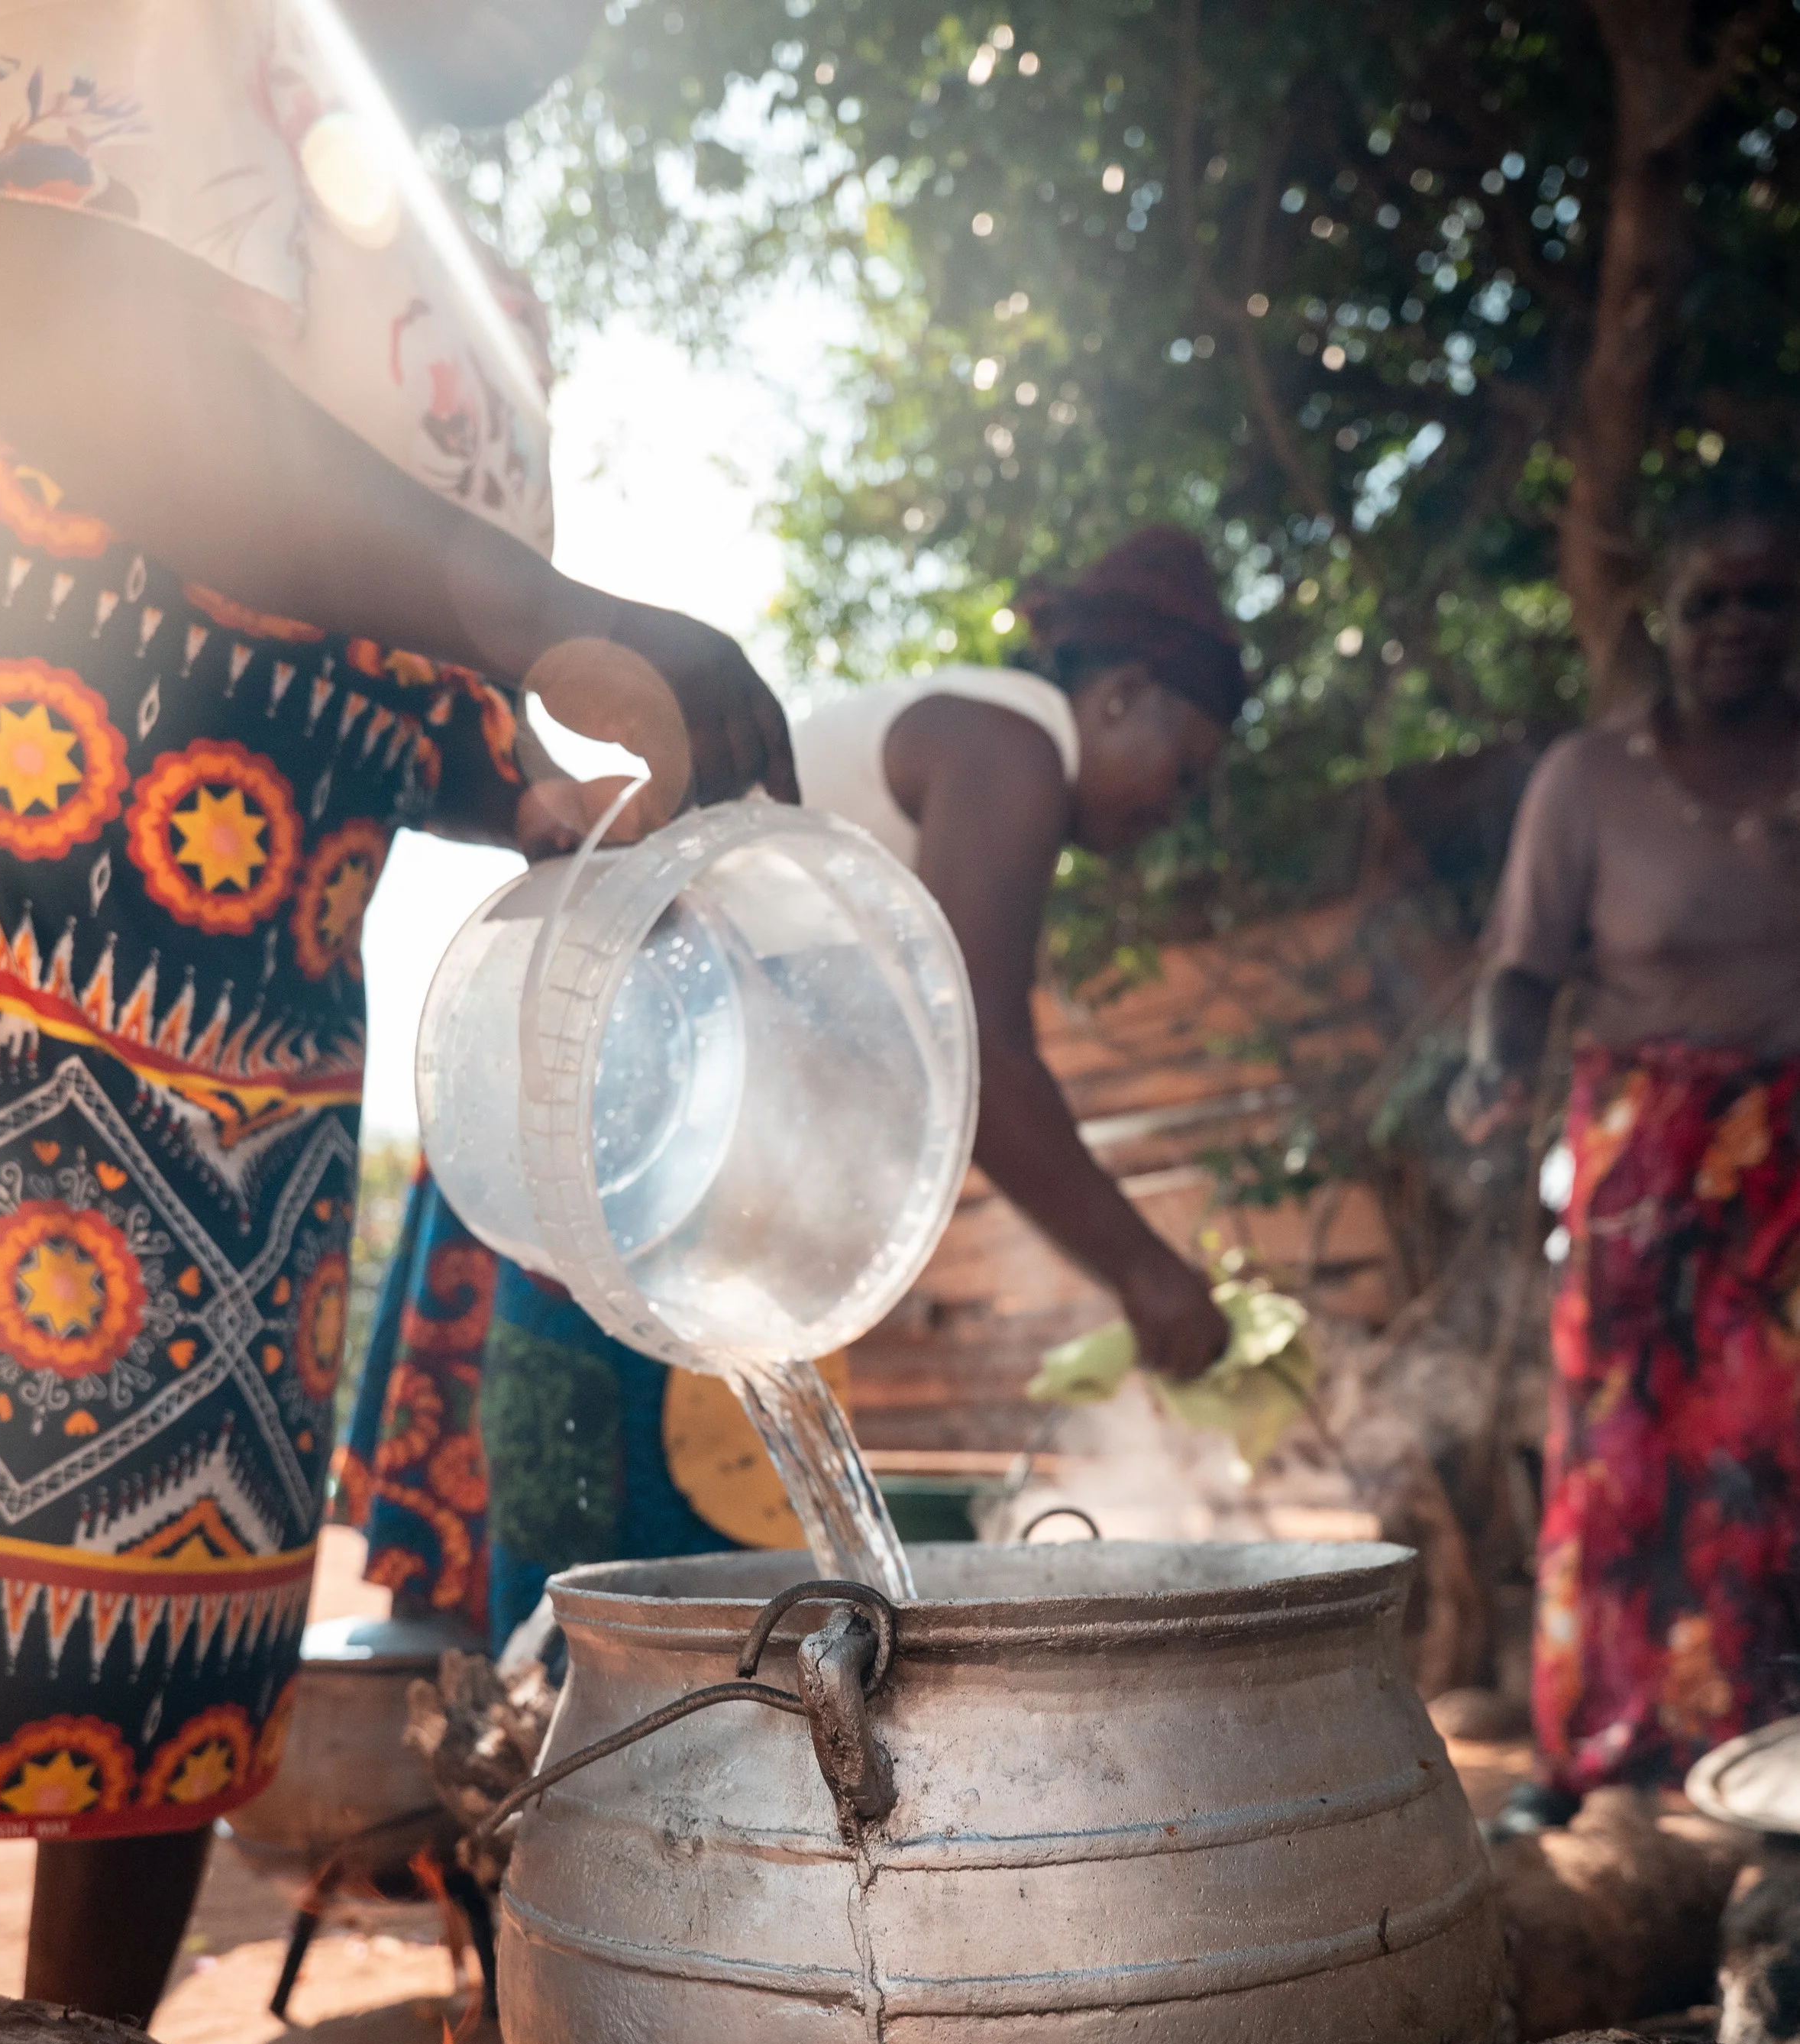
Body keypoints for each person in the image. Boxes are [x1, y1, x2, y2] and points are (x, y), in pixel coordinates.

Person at [0, 0, 793, 2023]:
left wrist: (535, 793)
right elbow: (75, 352)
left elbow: (403, 660)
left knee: (152, 1618)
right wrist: (531, 607)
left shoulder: (475, 295)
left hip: (264, 976)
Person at [343, 525, 1243, 1651]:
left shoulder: (957, 731)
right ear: (1120, 696)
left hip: (594, 1139)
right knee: (653, 1634)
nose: (1181, 805)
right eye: (1189, 767)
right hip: (641, 1169)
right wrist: (1148, 1273)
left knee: (606, 1621)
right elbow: (991, 1064)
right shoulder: (1011, 746)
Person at [1450, 463, 1800, 1833]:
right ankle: (1588, 1754)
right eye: (1709, 598)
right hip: (1641, 1155)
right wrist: (1497, 1067)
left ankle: (1758, 1746)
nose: (1737, 623)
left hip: (1789, 1159)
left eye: (1768, 597)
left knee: (1766, 1444)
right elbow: (1522, 969)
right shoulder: (1587, 780)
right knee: (1618, 1448)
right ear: (1661, 611)